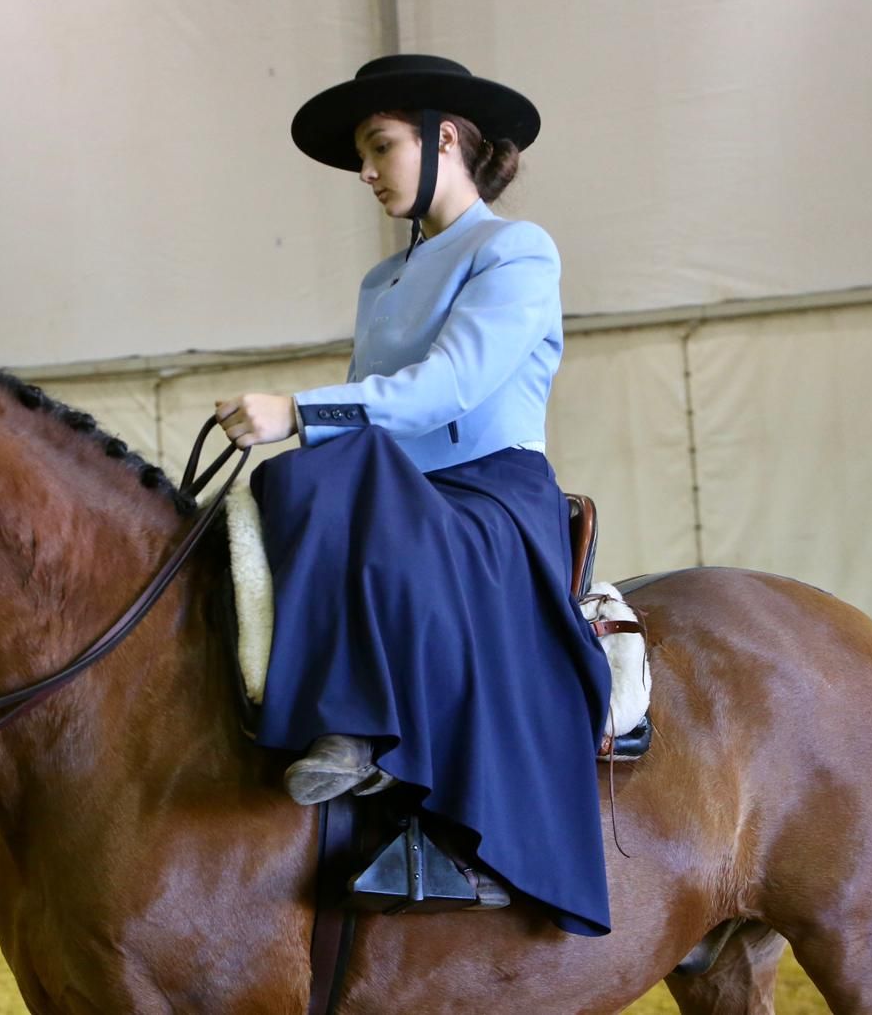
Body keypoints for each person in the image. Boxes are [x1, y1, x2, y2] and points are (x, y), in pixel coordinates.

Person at [214, 55, 612, 935]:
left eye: (378, 146)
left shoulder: (516, 248)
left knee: (324, 460)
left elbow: (446, 389)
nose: (365, 171)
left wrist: (295, 409)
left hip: (488, 496)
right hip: (390, 490)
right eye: (362, 152)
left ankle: (369, 744)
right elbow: (370, 421)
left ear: (443, 139)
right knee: (294, 480)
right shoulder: (379, 282)